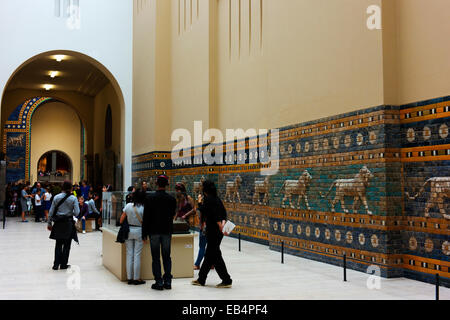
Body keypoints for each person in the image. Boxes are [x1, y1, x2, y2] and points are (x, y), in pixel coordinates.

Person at [191, 180, 232, 288]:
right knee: (211, 255)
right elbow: (223, 213)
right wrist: (222, 224)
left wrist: (199, 202)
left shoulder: (208, 199)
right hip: (218, 232)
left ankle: (226, 280)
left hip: (214, 231)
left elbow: (209, 212)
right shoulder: (217, 199)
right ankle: (202, 279)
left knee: (213, 255)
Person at [142, 175, 177, 290]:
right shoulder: (171, 199)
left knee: (156, 257)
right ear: (166, 185)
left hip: (154, 231)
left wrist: (144, 234)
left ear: (156, 184)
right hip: (167, 231)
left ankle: (159, 282)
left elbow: (146, 217)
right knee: (167, 256)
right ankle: (168, 281)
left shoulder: (150, 198)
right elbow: (172, 215)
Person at [47, 181, 80, 270]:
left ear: (62, 188)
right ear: (71, 188)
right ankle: (64, 264)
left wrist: (49, 223)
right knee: (67, 244)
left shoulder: (56, 197)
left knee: (58, 244)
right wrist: (69, 213)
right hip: (68, 223)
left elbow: (51, 212)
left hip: (58, 223)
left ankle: (56, 264)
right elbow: (77, 213)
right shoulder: (73, 198)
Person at [120, 190, 146, 285]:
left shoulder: (128, 206)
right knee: (137, 255)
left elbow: (121, 220)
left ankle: (129, 278)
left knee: (129, 254)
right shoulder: (143, 208)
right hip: (139, 231)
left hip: (129, 231)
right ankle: (136, 278)